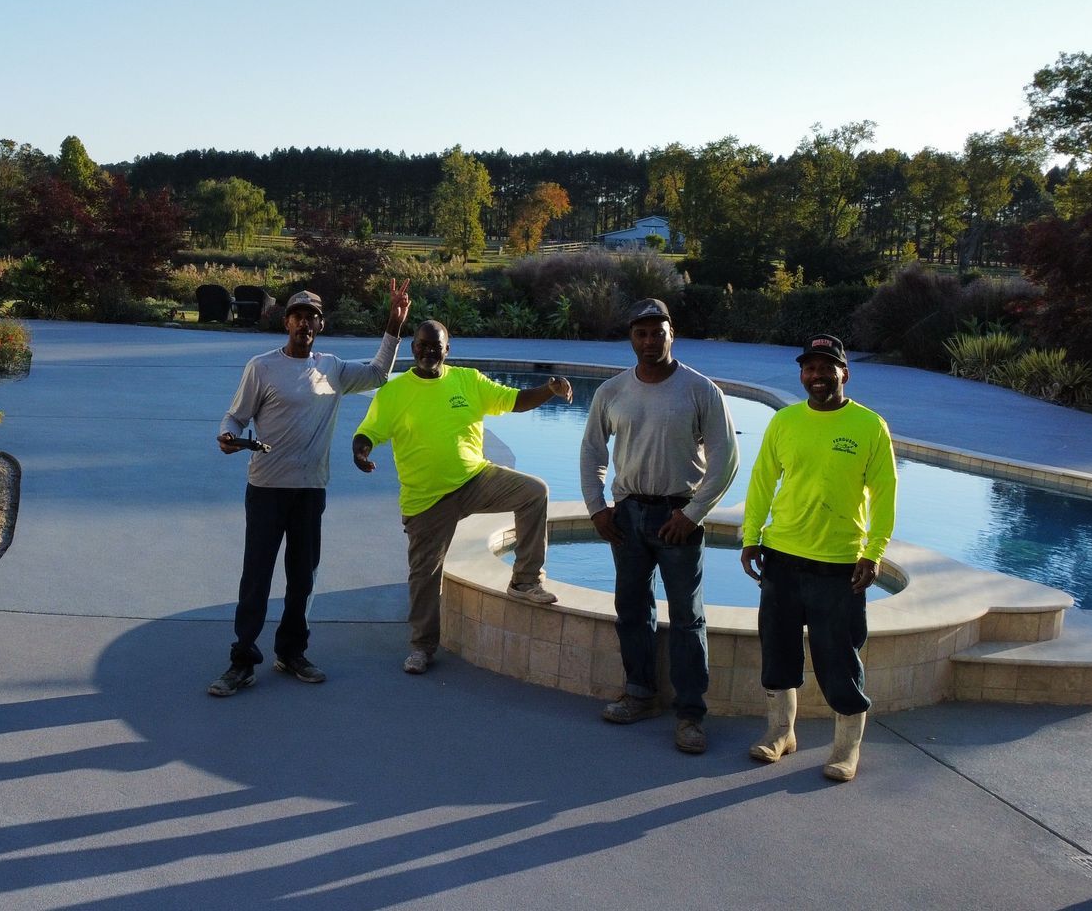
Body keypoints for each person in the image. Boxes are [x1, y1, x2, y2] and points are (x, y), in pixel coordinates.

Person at [207, 281, 412, 697]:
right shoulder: (262, 367)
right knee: (257, 577)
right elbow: (235, 417)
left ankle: (291, 652)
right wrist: (227, 436)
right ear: (286, 322)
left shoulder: (332, 368)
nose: (304, 323)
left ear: (320, 325)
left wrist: (394, 323)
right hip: (267, 489)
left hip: (310, 490)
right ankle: (242, 660)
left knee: (302, 578)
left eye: (311, 317)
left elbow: (378, 374)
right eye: (297, 316)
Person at [352, 320, 573, 675]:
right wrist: (361, 451)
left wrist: (548, 389)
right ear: (413, 348)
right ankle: (422, 647)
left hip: (474, 479)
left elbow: (514, 401)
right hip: (426, 498)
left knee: (534, 493)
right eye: (422, 345)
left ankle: (525, 580)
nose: (428, 351)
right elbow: (369, 431)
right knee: (424, 575)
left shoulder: (468, 380)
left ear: (447, 350)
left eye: (435, 346)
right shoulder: (393, 393)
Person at [579, 297, 737, 755]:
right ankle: (639, 694)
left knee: (687, 617)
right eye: (641, 333)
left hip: (678, 516)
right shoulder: (612, 391)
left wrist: (693, 514)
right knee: (632, 609)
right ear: (632, 338)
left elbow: (726, 460)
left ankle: (690, 714)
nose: (650, 341)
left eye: (658, 332)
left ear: (672, 334)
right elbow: (592, 452)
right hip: (627, 516)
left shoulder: (701, 390)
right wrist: (597, 508)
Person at [739, 333, 896, 781]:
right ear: (802, 374)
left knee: (838, 658)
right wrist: (751, 537)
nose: (817, 376)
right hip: (782, 558)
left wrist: (874, 552)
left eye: (827, 368)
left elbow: (885, 494)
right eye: (809, 368)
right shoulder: (784, 421)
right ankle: (780, 733)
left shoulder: (870, 426)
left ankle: (846, 749)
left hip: (839, 565)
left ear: (844, 373)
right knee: (778, 652)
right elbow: (762, 481)